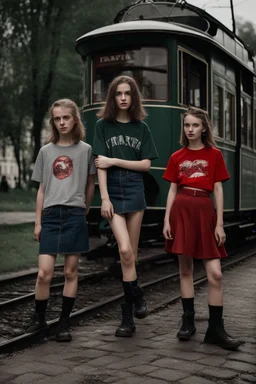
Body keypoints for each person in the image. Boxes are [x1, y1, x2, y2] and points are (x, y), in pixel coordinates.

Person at [163, 107, 241, 350]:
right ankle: (188, 322)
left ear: (204, 128)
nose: (190, 129)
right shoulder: (176, 156)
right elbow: (172, 190)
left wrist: (219, 223)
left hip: (205, 211)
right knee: (185, 269)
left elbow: (218, 189)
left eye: (195, 125)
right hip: (181, 210)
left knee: (215, 274)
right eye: (187, 125)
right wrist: (167, 220)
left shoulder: (214, 154)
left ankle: (216, 329)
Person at [93, 75, 158, 337]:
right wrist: (105, 198)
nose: (122, 97)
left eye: (127, 93)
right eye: (118, 93)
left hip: (135, 189)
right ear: (112, 97)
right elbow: (100, 164)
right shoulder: (102, 126)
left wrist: (115, 160)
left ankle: (129, 317)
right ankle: (134, 301)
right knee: (124, 250)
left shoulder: (141, 128)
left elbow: (145, 165)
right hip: (114, 192)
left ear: (133, 97)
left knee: (131, 254)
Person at [26, 99, 96, 342]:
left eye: (66, 117)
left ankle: (64, 323)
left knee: (70, 271)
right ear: (53, 121)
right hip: (51, 216)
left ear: (75, 119)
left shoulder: (85, 149)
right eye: (57, 118)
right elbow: (42, 190)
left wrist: (84, 209)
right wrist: (38, 222)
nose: (62, 122)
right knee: (44, 273)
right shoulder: (46, 152)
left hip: (74, 214)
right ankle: (39, 318)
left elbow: (90, 184)